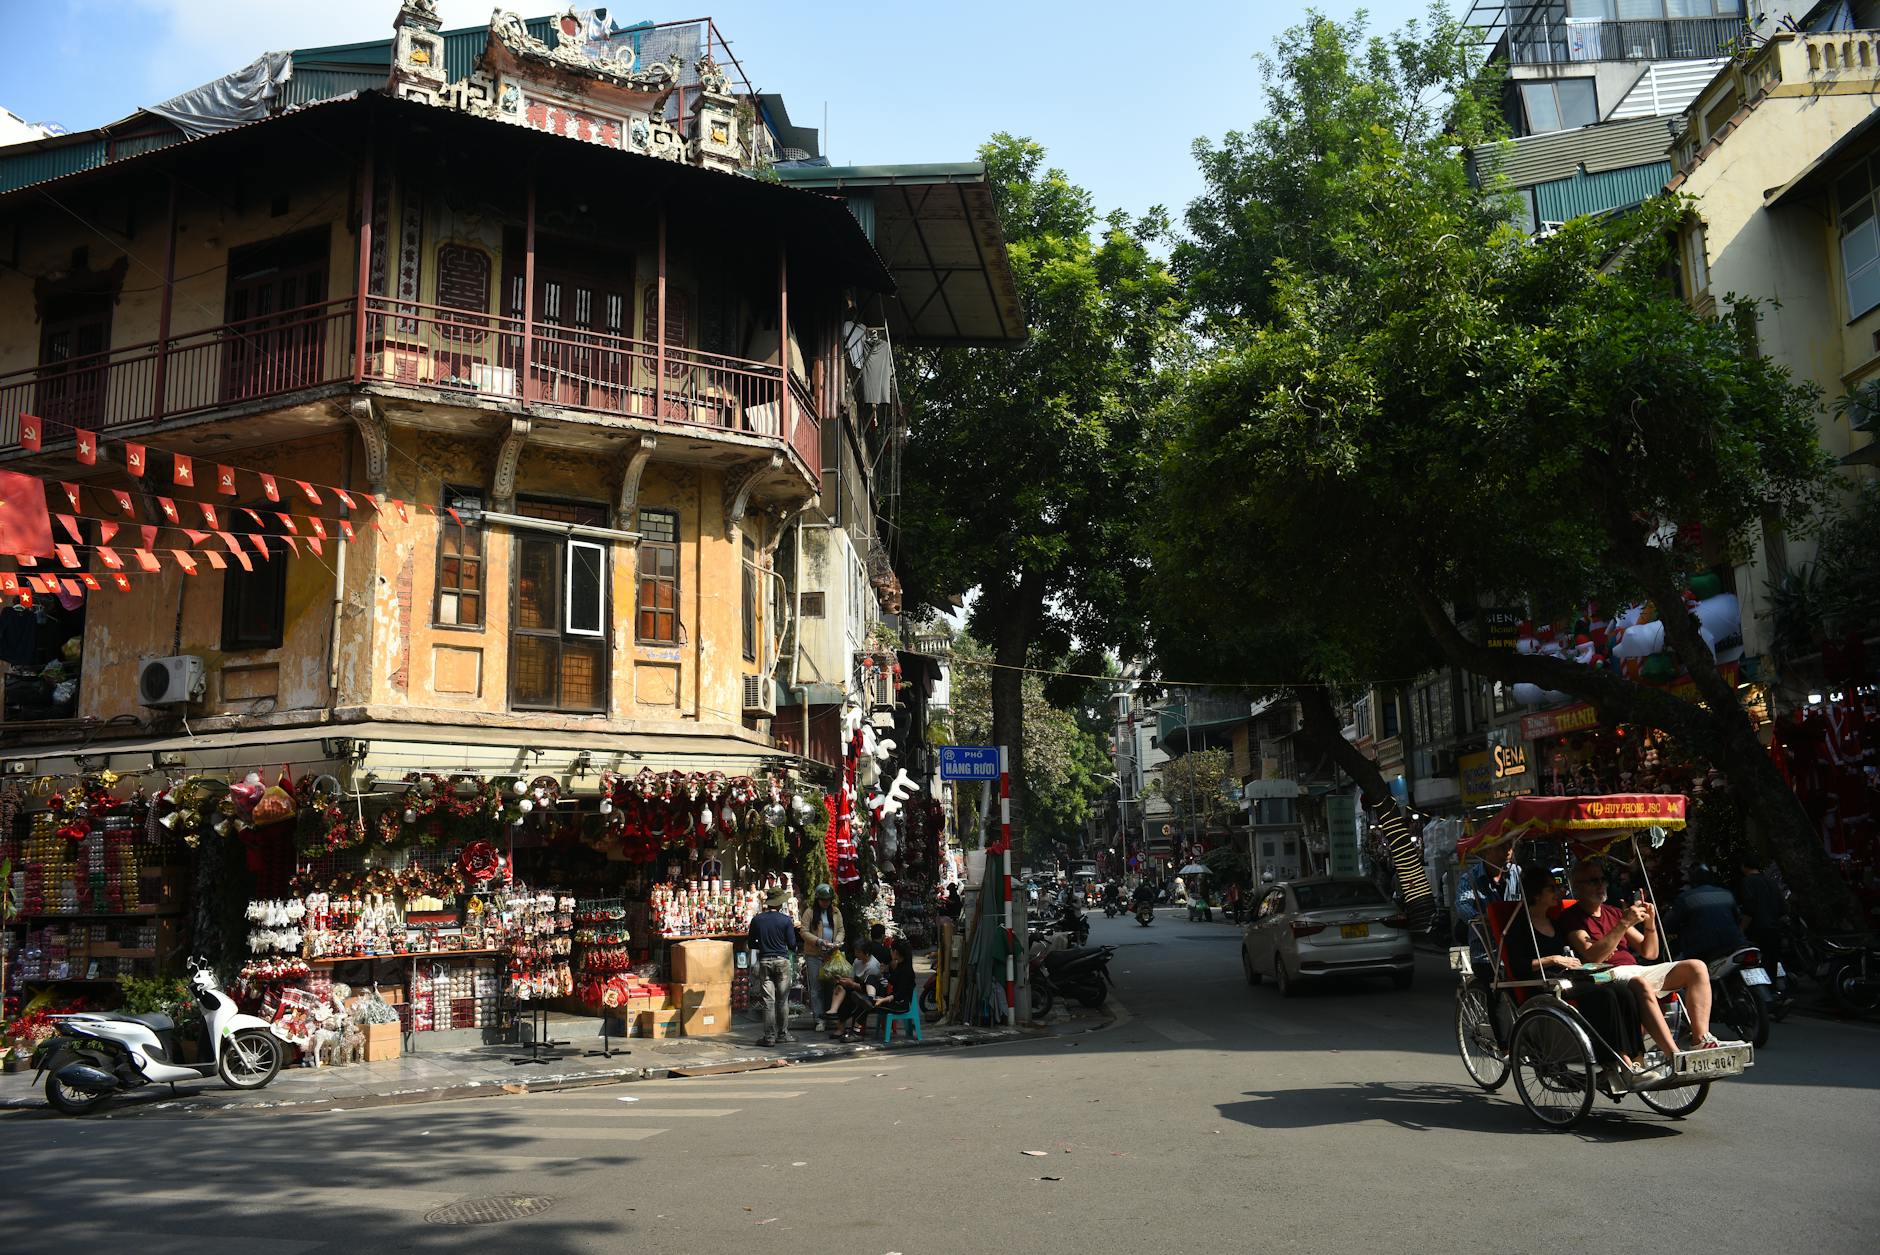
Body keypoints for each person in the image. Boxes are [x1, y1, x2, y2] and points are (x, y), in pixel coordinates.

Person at [1558, 861, 1731, 1058]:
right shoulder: (1571, 917)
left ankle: (1700, 1040)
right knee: (1641, 983)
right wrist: (1624, 923)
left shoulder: (1612, 912)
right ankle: (1672, 1054)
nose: (1600, 885)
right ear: (1577, 886)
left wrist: (1650, 924)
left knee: (1696, 967)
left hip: (1633, 968)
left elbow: (1650, 953)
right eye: (1593, 881)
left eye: (1602, 880)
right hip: (1603, 974)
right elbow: (1593, 955)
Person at [1502, 866, 1646, 1076]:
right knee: (1604, 995)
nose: (1558, 892)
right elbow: (1517, 967)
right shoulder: (1519, 926)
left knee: (1622, 991)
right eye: (1551, 888)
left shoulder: (1555, 922)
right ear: (1536, 893)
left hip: (1572, 978)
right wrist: (1552, 959)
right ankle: (1616, 1058)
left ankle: (1637, 1056)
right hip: (1545, 983)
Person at [746, 887, 800, 1047]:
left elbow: (751, 943)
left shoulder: (757, 920)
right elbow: (792, 944)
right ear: (780, 902)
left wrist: (763, 943)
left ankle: (769, 1037)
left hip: (764, 961)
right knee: (782, 1001)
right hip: (781, 961)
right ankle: (783, 1034)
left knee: (768, 1001)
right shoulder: (785, 920)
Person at [1669, 865, 1750, 961]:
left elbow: (1670, 923)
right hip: (1736, 943)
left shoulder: (1686, 898)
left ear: (1692, 879)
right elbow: (1738, 919)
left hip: (1702, 950)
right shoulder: (1727, 894)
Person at [1454, 845, 1522, 947]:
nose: (1508, 852)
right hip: (1485, 949)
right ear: (1486, 851)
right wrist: (1478, 917)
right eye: (1501, 847)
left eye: (1510, 847)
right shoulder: (1470, 878)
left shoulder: (1517, 872)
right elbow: (1463, 904)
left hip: (1514, 945)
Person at [1738, 857, 1789, 987]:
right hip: (1774, 927)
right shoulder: (1770, 881)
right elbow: (1782, 907)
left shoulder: (1748, 882)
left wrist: (1741, 929)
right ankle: (1774, 989)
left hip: (1758, 929)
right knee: (1772, 960)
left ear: (1744, 867)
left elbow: (1749, 909)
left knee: (1759, 962)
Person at [800, 884, 845, 1032]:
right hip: (814, 955)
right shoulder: (810, 912)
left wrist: (837, 942)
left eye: (828, 900)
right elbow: (804, 931)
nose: (825, 903)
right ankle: (819, 1019)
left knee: (831, 986)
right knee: (816, 988)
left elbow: (840, 930)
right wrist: (818, 941)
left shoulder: (836, 912)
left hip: (831, 955)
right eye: (823, 900)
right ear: (818, 899)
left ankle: (830, 1016)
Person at [828, 941, 892, 1040]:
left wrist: (851, 984)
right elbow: (852, 978)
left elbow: (867, 985)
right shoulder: (857, 961)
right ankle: (835, 1015)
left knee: (852, 999)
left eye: (858, 952)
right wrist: (842, 980)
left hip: (875, 991)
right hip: (860, 986)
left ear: (866, 953)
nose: (855, 954)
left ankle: (851, 1030)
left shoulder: (872, 966)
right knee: (842, 988)